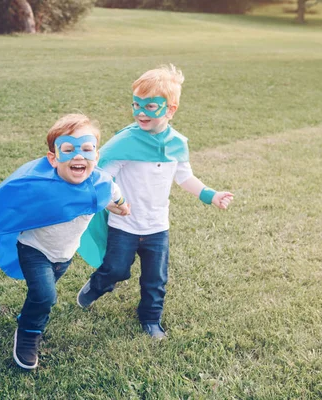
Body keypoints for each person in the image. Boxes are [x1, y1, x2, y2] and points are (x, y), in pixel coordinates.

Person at [0, 114, 129, 370]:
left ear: (96, 156)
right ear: (53, 158)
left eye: (86, 149)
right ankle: (28, 333)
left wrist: (121, 206)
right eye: (68, 150)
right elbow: (5, 203)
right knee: (45, 296)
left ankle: (29, 314)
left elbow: (114, 195)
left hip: (64, 255)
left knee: (39, 296)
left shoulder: (102, 184)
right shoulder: (39, 185)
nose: (78, 156)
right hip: (34, 249)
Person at [77, 64, 234, 339]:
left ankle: (150, 318)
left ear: (170, 110)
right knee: (116, 269)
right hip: (125, 223)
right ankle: (98, 284)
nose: (140, 112)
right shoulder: (126, 142)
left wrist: (211, 195)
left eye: (150, 106)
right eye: (136, 105)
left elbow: (185, 177)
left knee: (156, 279)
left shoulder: (177, 144)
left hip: (157, 226)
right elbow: (101, 176)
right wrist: (109, 201)